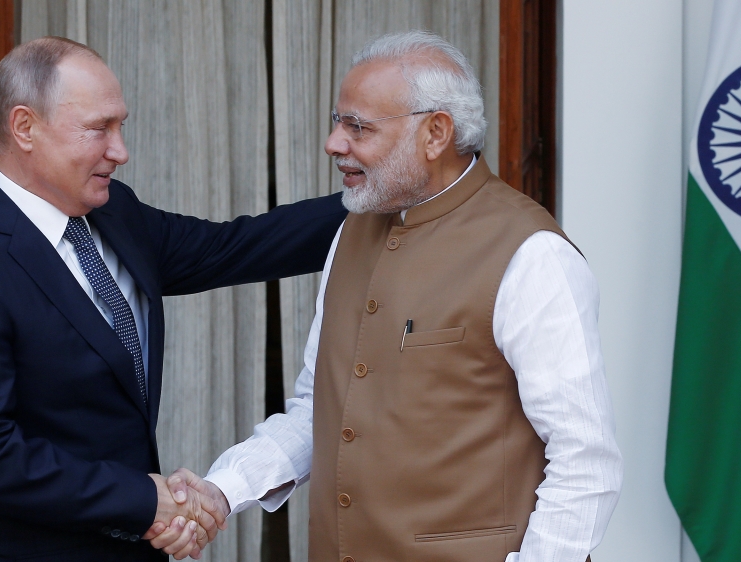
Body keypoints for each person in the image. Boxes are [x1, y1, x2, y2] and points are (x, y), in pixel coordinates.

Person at [166, 30, 623, 562]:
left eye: (357, 127)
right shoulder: (348, 234)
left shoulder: (532, 255)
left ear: (435, 133)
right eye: (337, 122)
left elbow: (585, 460)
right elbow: (321, 411)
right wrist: (222, 489)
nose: (335, 144)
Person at [0, 36, 346, 562]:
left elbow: (236, 246)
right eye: (98, 129)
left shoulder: (115, 215)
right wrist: (145, 502)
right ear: (25, 127)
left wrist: (376, 198)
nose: (120, 151)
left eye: (121, 126)